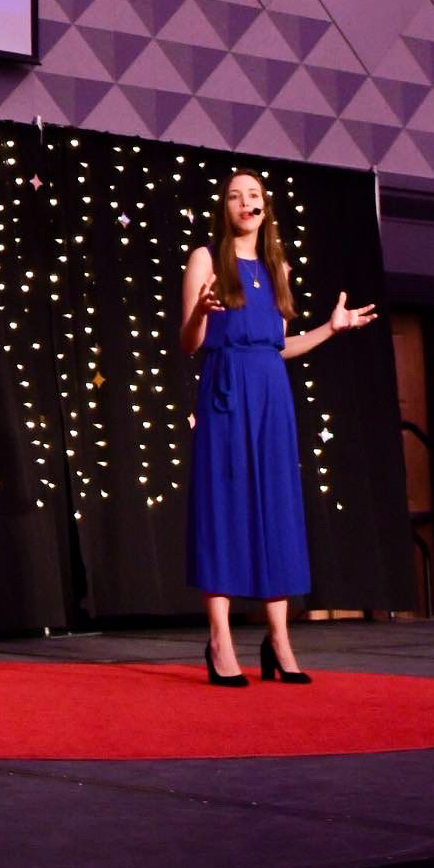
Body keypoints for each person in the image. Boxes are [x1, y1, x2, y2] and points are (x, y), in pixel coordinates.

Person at [181, 169, 376, 686]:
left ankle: (279, 639)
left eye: (254, 196)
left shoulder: (277, 266)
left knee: (275, 505)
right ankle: (220, 640)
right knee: (224, 507)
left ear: (265, 207)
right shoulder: (206, 258)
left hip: (271, 394)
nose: (246, 202)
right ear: (224, 208)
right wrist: (200, 311)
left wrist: (330, 330)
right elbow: (189, 343)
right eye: (235, 196)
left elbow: (279, 346)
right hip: (225, 389)